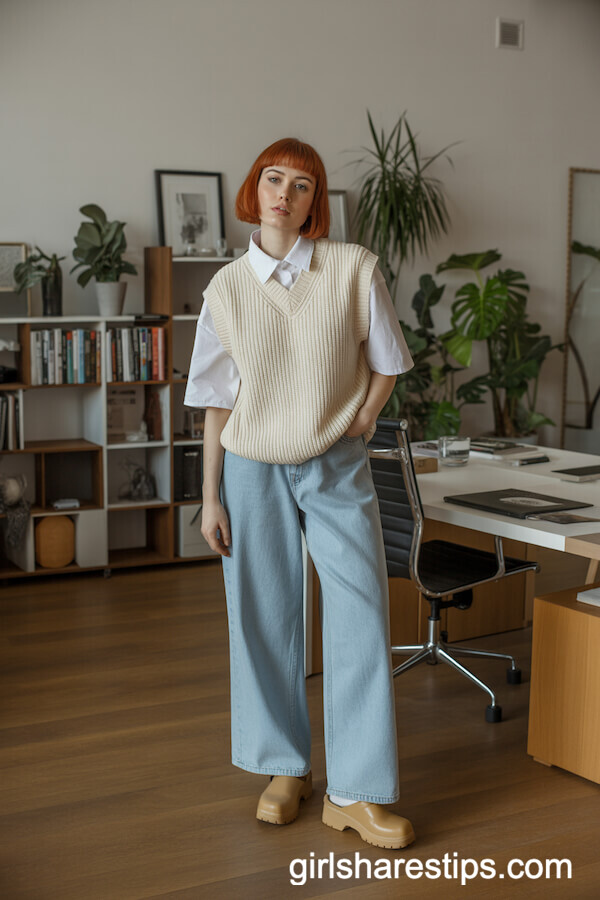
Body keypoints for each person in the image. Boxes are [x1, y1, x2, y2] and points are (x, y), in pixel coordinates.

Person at [184, 137, 415, 850]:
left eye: (304, 185)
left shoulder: (351, 269)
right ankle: (286, 768)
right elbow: (216, 400)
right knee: (263, 615)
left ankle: (355, 792)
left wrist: (366, 417)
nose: (287, 194)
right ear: (255, 190)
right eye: (275, 179)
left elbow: (387, 362)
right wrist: (210, 497)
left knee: (360, 614)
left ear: (317, 203)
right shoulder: (224, 288)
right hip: (250, 468)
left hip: (335, 462)